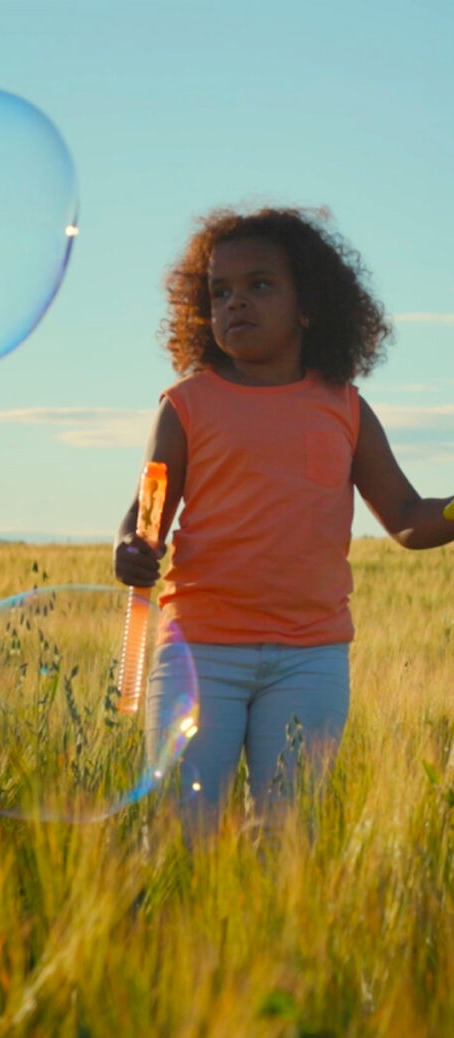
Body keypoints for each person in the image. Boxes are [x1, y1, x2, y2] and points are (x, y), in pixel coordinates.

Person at [114, 205, 454, 830]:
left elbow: (407, 517)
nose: (236, 303)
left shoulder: (344, 407)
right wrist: (131, 548)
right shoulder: (187, 405)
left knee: (286, 834)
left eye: (259, 285)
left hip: (312, 655)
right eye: (221, 292)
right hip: (200, 649)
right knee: (182, 831)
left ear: (308, 305)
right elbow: (147, 515)